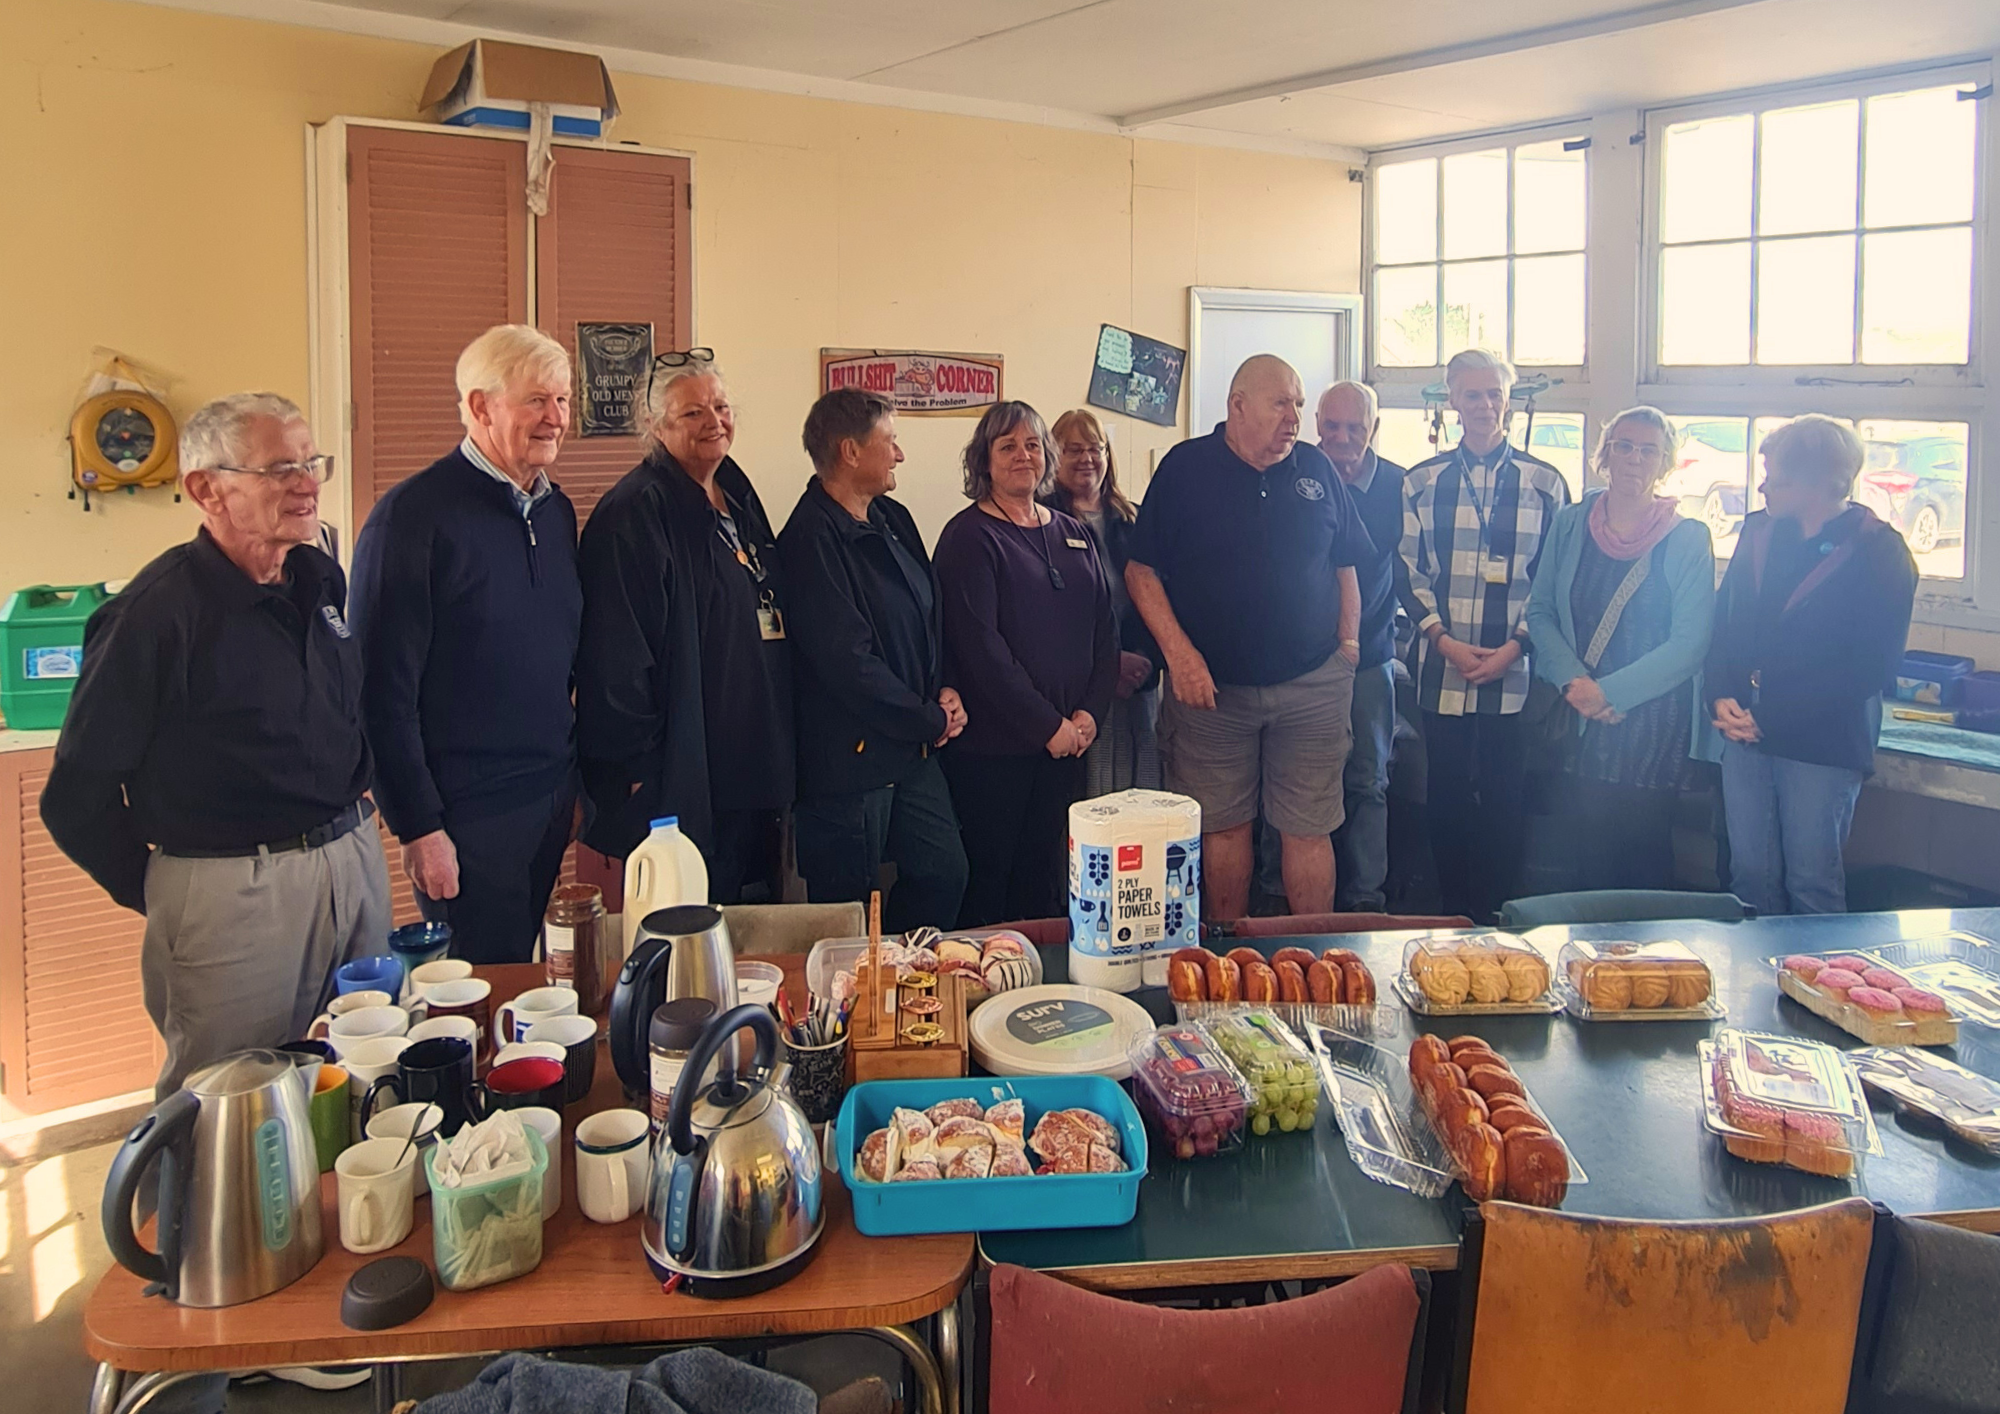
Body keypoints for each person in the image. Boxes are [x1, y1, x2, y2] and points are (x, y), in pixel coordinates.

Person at [39, 394, 389, 1098]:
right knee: (231, 1106)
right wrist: (174, 894)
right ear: (207, 489)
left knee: (362, 1074)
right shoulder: (155, 615)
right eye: (278, 468)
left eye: (311, 462)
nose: (306, 483)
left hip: (350, 862)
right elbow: (75, 797)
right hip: (232, 889)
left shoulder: (319, 578)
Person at [348, 325, 582, 964]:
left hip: (546, 801)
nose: (555, 418)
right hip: (465, 818)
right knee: (479, 995)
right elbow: (378, 696)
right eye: (537, 400)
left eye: (562, 400)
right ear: (481, 407)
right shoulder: (411, 520)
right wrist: (419, 828)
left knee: (534, 981)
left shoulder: (556, 511)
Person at [1126, 354, 1370, 921]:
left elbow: (1346, 564)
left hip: (1313, 686)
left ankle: (1315, 961)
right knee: (1222, 828)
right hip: (1211, 694)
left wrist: (1348, 651)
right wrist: (1179, 656)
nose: (1295, 418)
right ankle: (1225, 957)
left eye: (1299, 405)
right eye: (1282, 403)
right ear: (1238, 405)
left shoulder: (1316, 469)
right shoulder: (1185, 469)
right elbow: (1141, 572)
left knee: (1309, 828)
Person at [577, 355, 793, 903]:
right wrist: (634, 770)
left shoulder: (735, 496)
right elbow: (615, 656)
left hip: (748, 759)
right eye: (692, 412)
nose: (713, 422)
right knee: (687, 926)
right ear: (654, 427)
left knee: (744, 922)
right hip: (681, 773)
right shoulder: (634, 512)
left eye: (720, 407)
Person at [1704, 414, 1917, 915]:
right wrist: (1719, 695)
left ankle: (1816, 990)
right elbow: (1724, 626)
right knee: (1749, 878)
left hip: (1821, 744)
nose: (1762, 487)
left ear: (1825, 484)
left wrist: (1772, 716)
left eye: (1776, 478)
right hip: (1742, 736)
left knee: (1811, 882)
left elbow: (1871, 666)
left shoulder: (1879, 550)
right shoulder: (1757, 532)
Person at [780, 388, 970, 931]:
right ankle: (863, 1004)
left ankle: (904, 977)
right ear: (850, 451)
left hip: (913, 748)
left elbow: (928, 616)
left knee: (945, 873)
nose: (901, 455)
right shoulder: (808, 541)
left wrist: (946, 689)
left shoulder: (894, 517)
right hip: (847, 766)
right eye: (891, 441)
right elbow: (848, 663)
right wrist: (929, 717)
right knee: (847, 914)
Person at [1401, 349, 1570, 922]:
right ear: (1452, 400)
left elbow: (1553, 578)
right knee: (1445, 796)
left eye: (1494, 393)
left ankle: (1501, 915)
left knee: (1504, 798)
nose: (1484, 405)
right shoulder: (1421, 481)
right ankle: (1452, 913)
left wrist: (1516, 646)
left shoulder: (1545, 482)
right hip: (1441, 666)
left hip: (1514, 669)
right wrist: (1441, 639)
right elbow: (1407, 570)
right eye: (1471, 394)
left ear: (1509, 400)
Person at [935, 401, 1117, 927]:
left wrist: (1089, 716)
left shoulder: (1071, 532)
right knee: (992, 880)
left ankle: (1037, 992)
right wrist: (1047, 726)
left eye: (1033, 445)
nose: (1023, 456)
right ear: (983, 460)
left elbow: (1105, 633)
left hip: (1068, 747)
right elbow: (980, 649)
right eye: (1007, 446)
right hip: (995, 753)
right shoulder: (968, 537)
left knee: (1046, 880)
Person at [1526, 407, 1715, 892]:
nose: (1634, 458)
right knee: (1583, 862)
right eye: (1624, 446)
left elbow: (1691, 643)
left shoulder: (1688, 538)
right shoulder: (1570, 525)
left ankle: (1645, 970)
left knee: (1643, 862)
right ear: (1605, 454)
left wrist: (1608, 694)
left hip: (1650, 728)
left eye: (1649, 449)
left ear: (1665, 461)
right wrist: (1575, 685)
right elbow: (1541, 610)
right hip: (1578, 724)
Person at [1315, 381, 1409, 912]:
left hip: (1371, 660)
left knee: (1369, 782)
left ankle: (1366, 901)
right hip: (1302, 664)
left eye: (1355, 428)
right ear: (1318, 426)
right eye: (1332, 426)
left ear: (1374, 429)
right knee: (1299, 784)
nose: (1343, 438)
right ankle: (1283, 898)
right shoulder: (1299, 473)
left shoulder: (1399, 487)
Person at [1043, 408, 1161, 794]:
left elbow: (1155, 596)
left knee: (1144, 772)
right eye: (1073, 449)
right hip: (1081, 686)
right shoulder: (1040, 523)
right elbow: (1053, 614)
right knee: (1095, 788)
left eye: (1096, 448)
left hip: (1139, 676)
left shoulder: (1135, 519)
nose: (1087, 459)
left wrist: (1143, 659)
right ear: (1052, 456)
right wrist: (1108, 667)